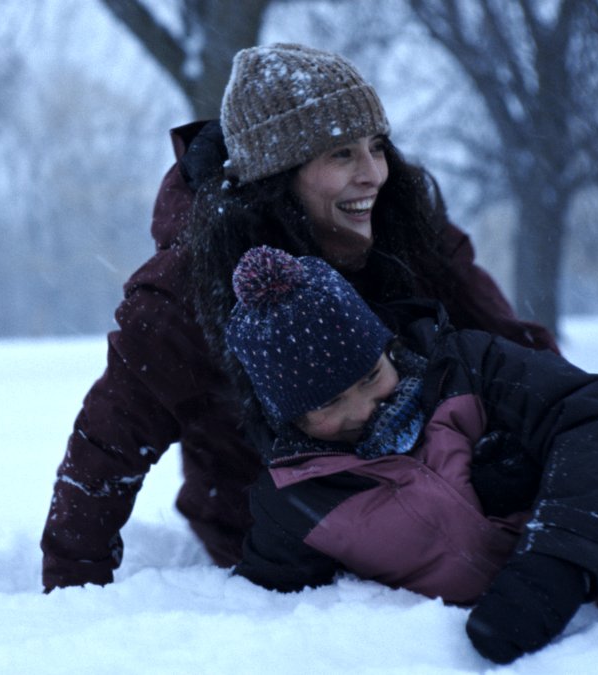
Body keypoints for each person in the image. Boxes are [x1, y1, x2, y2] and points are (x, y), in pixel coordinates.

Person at [40, 43, 557, 592]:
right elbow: (105, 451)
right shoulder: (183, 294)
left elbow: (515, 350)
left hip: (446, 486)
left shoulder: (406, 225)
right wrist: (73, 595)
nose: (373, 175)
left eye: (376, 147)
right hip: (288, 545)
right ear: (277, 174)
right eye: (340, 155)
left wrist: (570, 438)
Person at [223, 244, 598, 673]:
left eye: (370, 376)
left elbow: (590, 415)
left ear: (387, 346)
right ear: (288, 417)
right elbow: (264, 615)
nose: (363, 408)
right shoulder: (295, 504)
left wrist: (556, 557)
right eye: (329, 403)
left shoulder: (463, 365)